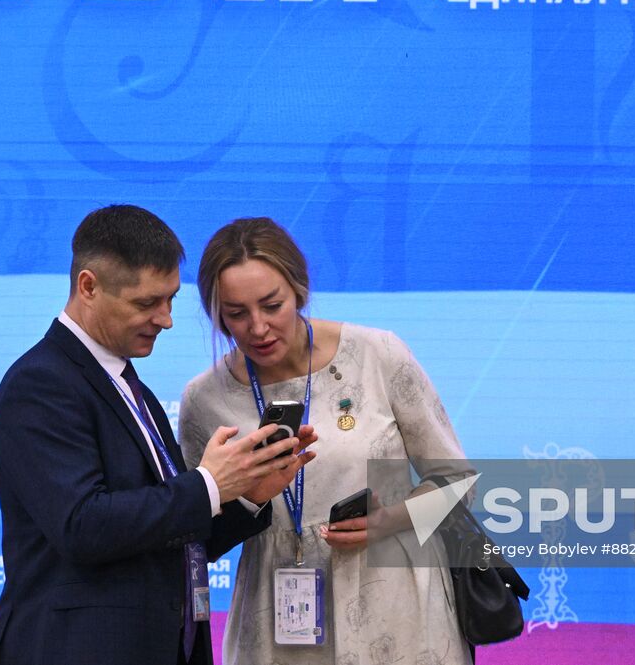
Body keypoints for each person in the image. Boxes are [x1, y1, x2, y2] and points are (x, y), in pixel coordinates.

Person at [0, 205, 316, 665]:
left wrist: (246, 495)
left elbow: (171, 538)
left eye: (171, 299)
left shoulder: (129, 387)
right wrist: (209, 484)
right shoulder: (40, 383)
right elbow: (82, 525)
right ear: (88, 287)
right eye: (146, 303)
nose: (166, 319)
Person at [180, 217, 473, 665]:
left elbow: (458, 484)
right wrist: (253, 497)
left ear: (299, 291)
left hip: (397, 610)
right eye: (236, 314)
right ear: (216, 315)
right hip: (277, 623)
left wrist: (388, 521)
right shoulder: (204, 399)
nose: (258, 327)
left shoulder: (377, 354)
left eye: (272, 305)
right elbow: (197, 534)